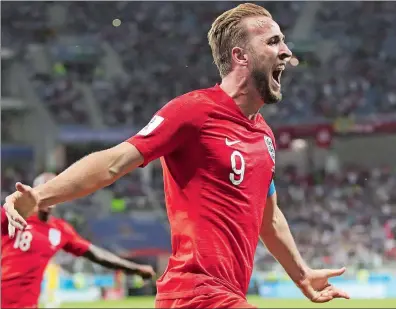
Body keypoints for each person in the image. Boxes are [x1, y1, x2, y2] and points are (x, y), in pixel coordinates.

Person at [4, 3, 350, 308]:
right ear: (240, 56)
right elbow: (113, 162)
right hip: (194, 294)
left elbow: (269, 218)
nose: (287, 51)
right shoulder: (194, 111)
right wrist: (40, 197)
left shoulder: (264, 135)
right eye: (273, 41)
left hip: (228, 295)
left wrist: (301, 274)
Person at [1, 172, 155, 308]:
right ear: (32, 192)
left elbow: (96, 254)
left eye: (55, 190)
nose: (49, 195)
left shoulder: (60, 230)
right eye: (44, 189)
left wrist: (135, 268)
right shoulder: (12, 215)